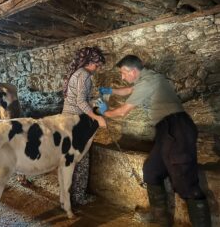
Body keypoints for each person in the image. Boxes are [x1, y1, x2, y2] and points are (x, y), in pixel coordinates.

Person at [97, 55, 211, 226]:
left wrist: (104, 112)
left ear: (133, 71)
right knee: (152, 171)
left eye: (123, 73)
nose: (122, 77)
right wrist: (110, 91)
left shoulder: (148, 82)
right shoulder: (148, 78)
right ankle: (161, 221)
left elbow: (122, 112)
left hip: (176, 128)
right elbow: (128, 91)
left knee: (185, 182)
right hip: (166, 130)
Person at [63, 46, 107, 206]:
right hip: (76, 122)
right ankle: (79, 198)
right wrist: (97, 117)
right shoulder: (85, 76)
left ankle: (68, 196)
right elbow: (80, 102)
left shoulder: (77, 73)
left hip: (66, 120)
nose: (97, 68)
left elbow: (77, 98)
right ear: (89, 62)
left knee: (69, 159)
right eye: (97, 65)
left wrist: (94, 100)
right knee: (81, 159)